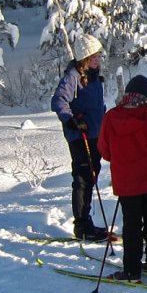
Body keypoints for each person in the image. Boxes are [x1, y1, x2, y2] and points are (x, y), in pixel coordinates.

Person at [97, 75, 147, 282]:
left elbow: (104, 151)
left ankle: (132, 270)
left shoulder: (111, 117)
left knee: (132, 225)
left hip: (127, 181)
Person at [51, 35, 108, 241]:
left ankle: (87, 222)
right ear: (85, 58)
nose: (99, 59)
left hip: (94, 135)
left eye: (99, 55)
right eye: (95, 56)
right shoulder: (73, 76)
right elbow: (58, 100)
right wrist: (71, 119)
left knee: (90, 176)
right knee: (83, 178)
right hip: (80, 135)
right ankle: (82, 226)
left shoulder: (92, 77)